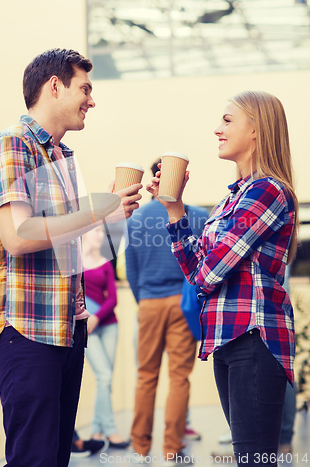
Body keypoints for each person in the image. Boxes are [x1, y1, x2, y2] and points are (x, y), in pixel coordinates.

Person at [0, 48, 142, 467]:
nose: (91, 100)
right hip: (25, 328)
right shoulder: (11, 144)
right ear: (54, 85)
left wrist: (108, 216)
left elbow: (61, 239)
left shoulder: (60, 157)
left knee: (55, 457)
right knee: (34, 458)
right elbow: (19, 236)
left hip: (64, 325)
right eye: (85, 88)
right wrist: (100, 210)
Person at [148, 91, 298, 466]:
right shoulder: (234, 197)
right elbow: (195, 270)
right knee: (249, 458)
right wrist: (174, 208)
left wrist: (201, 263)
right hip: (231, 342)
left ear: (257, 129)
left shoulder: (267, 191)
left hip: (254, 340)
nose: (217, 129)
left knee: (253, 461)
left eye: (228, 120)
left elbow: (208, 272)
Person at [125, 159, 209, 464]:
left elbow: (131, 269)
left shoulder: (136, 218)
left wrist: (143, 300)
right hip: (183, 305)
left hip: (148, 303)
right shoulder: (198, 215)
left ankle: (139, 448)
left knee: (145, 376)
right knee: (179, 378)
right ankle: (173, 448)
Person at [83, 226, 129, 448]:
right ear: (83, 234)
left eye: (102, 233)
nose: (101, 236)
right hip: (86, 329)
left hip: (108, 325)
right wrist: (87, 320)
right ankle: (110, 430)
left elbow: (112, 298)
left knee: (106, 379)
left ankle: (95, 431)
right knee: (104, 376)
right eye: (96, 232)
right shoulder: (71, 265)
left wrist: (96, 317)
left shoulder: (105, 263)